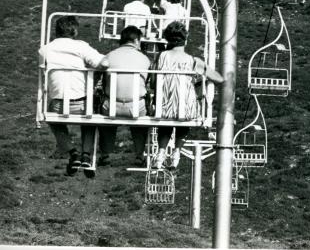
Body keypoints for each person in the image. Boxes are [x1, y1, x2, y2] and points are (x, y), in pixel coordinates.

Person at [38, 15, 109, 177]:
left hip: (58, 104)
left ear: (57, 31)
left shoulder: (45, 49)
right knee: (90, 120)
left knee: (52, 120)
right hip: (82, 104)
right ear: (74, 31)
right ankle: (86, 154)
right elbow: (104, 63)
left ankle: (73, 152)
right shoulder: (81, 47)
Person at [153, 22, 223, 169]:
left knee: (166, 119)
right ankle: (177, 152)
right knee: (184, 115)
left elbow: (153, 81)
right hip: (187, 110)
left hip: (163, 108)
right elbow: (218, 78)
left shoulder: (160, 57)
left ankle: (161, 152)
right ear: (185, 39)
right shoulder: (193, 61)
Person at [98, 26, 151, 167]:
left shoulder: (109, 56)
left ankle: (105, 154)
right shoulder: (144, 59)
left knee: (104, 114)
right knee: (142, 117)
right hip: (136, 107)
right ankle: (139, 154)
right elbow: (146, 82)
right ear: (136, 40)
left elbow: (103, 82)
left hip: (111, 106)